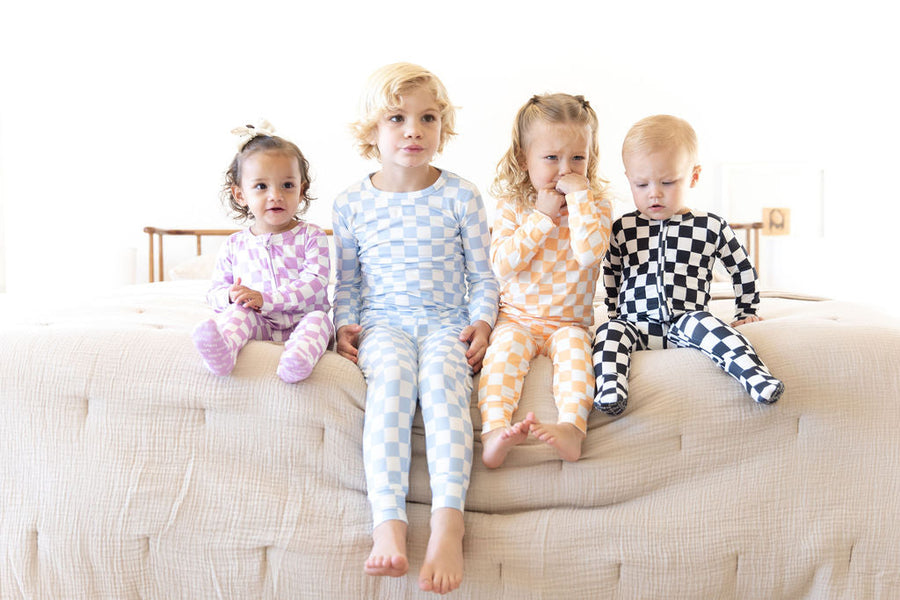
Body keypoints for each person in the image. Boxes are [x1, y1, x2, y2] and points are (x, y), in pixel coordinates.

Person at [331, 63, 499, 594]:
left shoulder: (461, 195)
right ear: (371, 130)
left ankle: (449, 523)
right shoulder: (350, 204)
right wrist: (344, 324)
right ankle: (389, 524)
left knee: (446, 391)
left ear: (442, 128)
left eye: (428, 118)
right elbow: (347, 284)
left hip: (448, 323)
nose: (413, 130)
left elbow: (483, 277)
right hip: (384, 325)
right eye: (397, 118)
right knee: (392, 388)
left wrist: (483, 322)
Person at [592, 114, 784, 416]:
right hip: (635, 324)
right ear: (628, 179)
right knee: (607, 334)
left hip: (686, 321)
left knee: (717, 331)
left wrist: (746, 310)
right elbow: (612, 272)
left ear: (693, 176)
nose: (654, 193)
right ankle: (611, 390)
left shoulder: (709, 226)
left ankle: (756, 377)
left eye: (668, 182)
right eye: (641, 184)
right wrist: (616, 313)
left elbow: (741, 267)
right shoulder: (622, 229)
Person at [478, 93, 613, 469]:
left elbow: (589, 254)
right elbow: (503, 264)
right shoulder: (513, 206)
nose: (565, 170)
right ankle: (493, 432)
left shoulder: (596, 206)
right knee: (501, 360)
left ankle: (571, 429)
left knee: (576, 360)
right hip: (517, 318)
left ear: (591, 158)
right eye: (551, 158)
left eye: (578, 158)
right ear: (525, 159)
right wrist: (540, 217)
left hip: (569, 323)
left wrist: (581, 200)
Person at [192, 120, 333, 383]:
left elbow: (315, 283)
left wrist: (266, 298)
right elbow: (214, 292)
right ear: (240, 195)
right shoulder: (234, 244)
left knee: (320, 321)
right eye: (261, 186)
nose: (275, 195)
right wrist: (231, 296)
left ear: (302, 190)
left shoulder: (312, 236)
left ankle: (297, 360)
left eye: (287, 185)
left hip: (302, 318)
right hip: (260, 321)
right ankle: (223, 351)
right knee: (238, 314)